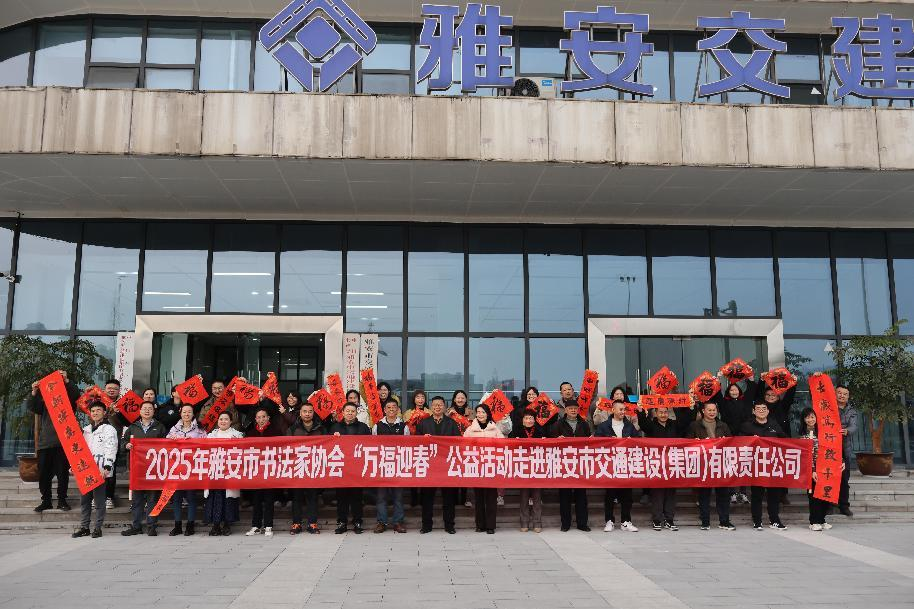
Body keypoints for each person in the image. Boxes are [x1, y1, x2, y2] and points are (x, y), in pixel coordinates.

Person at [28, 371, 80, 512]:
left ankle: (62, 500)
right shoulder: (45, 403)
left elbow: (76, 395)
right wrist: (34, 391)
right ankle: (46, 501)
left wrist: (67, 380)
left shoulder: (68, 401)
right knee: (44, 474)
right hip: (45, 443)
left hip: (63, 443)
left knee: (62, 474)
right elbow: (32, 407)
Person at [72, 400, 118, 538]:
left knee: (99, 500)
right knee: (85, 500)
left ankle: (98, 528)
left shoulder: (109, 429)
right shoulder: (86, 430)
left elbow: (111, 448)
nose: (95, 413)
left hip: (100, 469)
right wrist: (74, 465)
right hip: (86, 469)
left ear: (104, 413)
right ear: (90, 414)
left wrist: (107, 466)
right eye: (93, 411)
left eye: (98, 410)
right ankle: (84, 527)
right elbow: (80, 449)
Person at [638, 405, 689, 531]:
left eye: (665, 412)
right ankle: (657, 520)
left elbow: (686, 422)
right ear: (655, 413)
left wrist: (690, 408)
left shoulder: (674, 425)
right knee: (657, 493)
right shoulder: (651, 425)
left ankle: (669, 520)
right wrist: (640, 412)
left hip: (672, 464)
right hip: (657, 464)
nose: (663, 415)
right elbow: (643, 424)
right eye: (660, 412)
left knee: (671, 493)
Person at [121, 401, 167, 536]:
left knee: (153, 499)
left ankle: (152, 526)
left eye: (150, 409)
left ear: (153, 411)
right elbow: (123, 442)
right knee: (137, 499)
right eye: (144, 408)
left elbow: (166, 445)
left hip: (154, 469)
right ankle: (136, 526)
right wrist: (126, 445)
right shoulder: (132, 427)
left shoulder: (160, 427)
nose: (147, 411)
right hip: (137, 469)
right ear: (140, 411)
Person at [687, 402, 736, 531]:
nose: (712, 412)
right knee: (704, 495)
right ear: (703, 411)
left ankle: (724, 521)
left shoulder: (723, 425)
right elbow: (687, 442)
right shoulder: (695, 425)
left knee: (723, 494)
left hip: (720, 463)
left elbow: (731, 442)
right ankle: (705, 522)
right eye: (709, 410)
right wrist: (695, 442)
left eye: (714, 410)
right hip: (703, 463)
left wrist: (725, 440)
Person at [417, 396, 460, 534]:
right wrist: (423, 440)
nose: (437, 407)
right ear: (431, 407)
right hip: (429, 465)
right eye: (435, 405)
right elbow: (416, 442)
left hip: (447, 464)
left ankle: (449, 525)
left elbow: (458, 441)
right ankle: (426, 525)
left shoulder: (451, 423)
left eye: (440, 405)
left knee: (449, 498)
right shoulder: (423, 423)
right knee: (427, 498)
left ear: (444, 407)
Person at [741, 402, 787, 530]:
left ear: (768, 411)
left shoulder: (774, 425)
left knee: (774, 495)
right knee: (757, 495)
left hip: (773, 465)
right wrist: (750, 440)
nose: (761, 411)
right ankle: (757, 521)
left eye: (763, 408)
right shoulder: (747, 426)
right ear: (753, 411)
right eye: (758, 409)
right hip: (756, 466)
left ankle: (775, 520)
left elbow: (786, 440)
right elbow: (738, 442)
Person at [595, 400, 640, 533]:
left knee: (627, 495)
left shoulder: (629, 426)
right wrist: (609, 440)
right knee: (610, 495)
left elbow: (638, 441)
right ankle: (609, 521)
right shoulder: (604, 426)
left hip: (626, 464)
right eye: (620, 409)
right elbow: (596, 442)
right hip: (609, 464)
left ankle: (626, 521)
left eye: (624, 409)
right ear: (613, 410)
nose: (623, 412)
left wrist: (631, 441)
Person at [549, 400, 592, 532]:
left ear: (578, 410)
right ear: (566, 410)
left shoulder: (584, 424)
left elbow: (589, 440)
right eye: (570, 408)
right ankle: (565, 524)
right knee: (564, 495)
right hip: (564, 464)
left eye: (575, 408)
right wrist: (557, 440)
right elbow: (551, 442)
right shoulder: (558, 424)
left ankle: (582, 523)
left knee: (581, 495)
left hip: (580, 463)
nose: (573, 410)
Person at [798, 407, 843, 531]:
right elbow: (806, 456)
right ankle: (814, 521)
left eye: (812, 417)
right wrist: (812, 470)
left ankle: (822, 520)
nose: (810, 419)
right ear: (803, 420)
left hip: (826, 468)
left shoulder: (825, 432)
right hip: (811, 470)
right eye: (807, 417)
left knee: (825, 495)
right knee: (814, 497)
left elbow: (833, 448)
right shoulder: (803, 436)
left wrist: (841, 461)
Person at [166, 404, 207, 536]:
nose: (187, 414)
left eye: (189, 412)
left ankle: (190, 525)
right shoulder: (174, 429)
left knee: (191, 497)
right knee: (176, 498)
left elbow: (206, 445)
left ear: (193, 414)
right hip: (176, 468)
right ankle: (177, 525)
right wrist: (171, 440)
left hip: (192, 468)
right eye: (184, 412)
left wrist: (193, 441)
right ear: (180, 413)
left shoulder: (200, 430)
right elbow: (165, 445)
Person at [331, 402, 372, 534]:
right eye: (347, 411)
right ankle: (342, 522)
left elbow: (370, 445)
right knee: (341, 497)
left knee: (357, 497)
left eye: (352, 411)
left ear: (356, 413)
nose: (350, 413)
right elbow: (328, 446)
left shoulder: (363, 427)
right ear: (343, 412)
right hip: (341, 467)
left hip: (357, 468)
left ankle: (357, 522)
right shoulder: (335, 427)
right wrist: (333, 438)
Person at [464, 404, 504, 534]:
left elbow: (503, 445)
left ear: (488, 414)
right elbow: (463, 445)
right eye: (478, 412)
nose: (480, 414)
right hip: (476, 466)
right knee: (479, 497)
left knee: (491, 498)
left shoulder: (495, 429)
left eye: (483, 412)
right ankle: (480, 525)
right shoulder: (470, 429)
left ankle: (491, 526)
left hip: (491, 467)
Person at [243, 408, 283, 537]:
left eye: (264, 417)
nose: (261, 419)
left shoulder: (276, 432)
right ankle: (256, 525)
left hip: (270, 470)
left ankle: (268, 526)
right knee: (256, 500)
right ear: (255, 419)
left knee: (269, 499)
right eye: (259, 417)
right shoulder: (250, 433)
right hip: (256, 471)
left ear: (268, 418)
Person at [716, 381, 756, 505]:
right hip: (730, 437)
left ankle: (743, 492)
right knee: (731, 464)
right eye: (731, 390)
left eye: (736, 389)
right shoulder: (724, 402)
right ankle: (732, 493)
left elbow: (752, 390)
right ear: (728, 392)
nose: (734, 392)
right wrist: (718, 381)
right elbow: (718, 395)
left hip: (744, 436)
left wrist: (750, 379)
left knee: (743, 464)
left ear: (739, 391)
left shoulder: (745, 401)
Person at [372, 398, 409, 533]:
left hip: (398, 465)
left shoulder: (404, 427)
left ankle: (398, 522)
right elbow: (373, 445)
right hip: (382, 465)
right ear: (384, 410)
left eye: (394, 407)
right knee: (381, 497)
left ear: (398, 409)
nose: (391, 409)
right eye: (389, 407)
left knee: (398, 497)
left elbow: (407, 445)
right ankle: (381, 522)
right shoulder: (377, 426)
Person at [287, 402, 324, 534]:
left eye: (310, 411)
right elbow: (287, 447)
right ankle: (296, 523)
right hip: (297, 467)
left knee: (312, 496)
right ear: (300, 413)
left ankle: (312, 523)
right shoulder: (292, 429)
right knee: (297, 497)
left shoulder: (320, 428)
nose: (307, 414)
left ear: (313, 413)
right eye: (305, 411)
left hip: (314, 467)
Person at [204, 412, 243, 536]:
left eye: (226, 419)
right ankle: (215, 525)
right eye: (221, 419)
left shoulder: (237, 435)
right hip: (215, 472)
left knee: (228, 499)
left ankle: (227, 525)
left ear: (231, 421)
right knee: (215, 498)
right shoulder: (211, 436)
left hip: (230, 472)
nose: (223, 421)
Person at [510, 408, 544, 532]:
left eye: (531, 418)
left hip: (537, 467)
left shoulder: (540, 431)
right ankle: (524, 522)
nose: (528, 420)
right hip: (522, 467)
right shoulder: (516, 431)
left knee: (537, 497)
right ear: (522, 420)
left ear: (535, 420)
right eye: (526, 418)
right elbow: (509, 445)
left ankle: (537, 523)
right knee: (524, 497)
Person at [445, 390, 471, 508]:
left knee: (465, 473)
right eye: (458, 398)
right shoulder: (448, 412)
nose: (460, 400)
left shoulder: (471, 412)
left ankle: (465, 498)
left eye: (462, 398)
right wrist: (448, 416)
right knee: (454, 471)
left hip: (466, 446)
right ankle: (454, 499)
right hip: (452, 447)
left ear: (466, 400)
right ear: (454, 399)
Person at [101, 379, 124, 509]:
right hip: (96, 442)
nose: (112, 390)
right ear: (104, 389)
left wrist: (118, 412)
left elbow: (127, 422)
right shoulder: (97, 401)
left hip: (114, 442)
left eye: (115, 389)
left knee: (110, 470)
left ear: (119, 391)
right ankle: (96, 496)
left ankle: (109, 497)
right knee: (96, 468)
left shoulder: (123, 404)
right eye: (109, 388)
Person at [835, 384, 858, 517]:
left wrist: (847, 431)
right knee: (829, 477)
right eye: (839, 393)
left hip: (845, 449)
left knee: (844, 480)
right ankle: (829, 505)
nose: (842, 395)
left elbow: (854, 426)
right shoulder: (829, 407)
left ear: (848, 396)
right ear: (835, 394)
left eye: (845, 394)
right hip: (830, 447)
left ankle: (844, 506)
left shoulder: (852, 411)